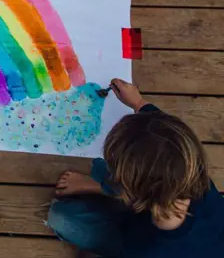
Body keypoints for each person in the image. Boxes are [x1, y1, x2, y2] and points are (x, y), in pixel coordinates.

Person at [47, 79, 224, 257]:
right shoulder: (191, 167)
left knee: (60, 218)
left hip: (134, 238)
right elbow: (165, 139)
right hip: (150, 215)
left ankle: (102, 187)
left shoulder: (144, 251)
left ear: (130, 191)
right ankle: (100, 187)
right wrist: (139, 103)